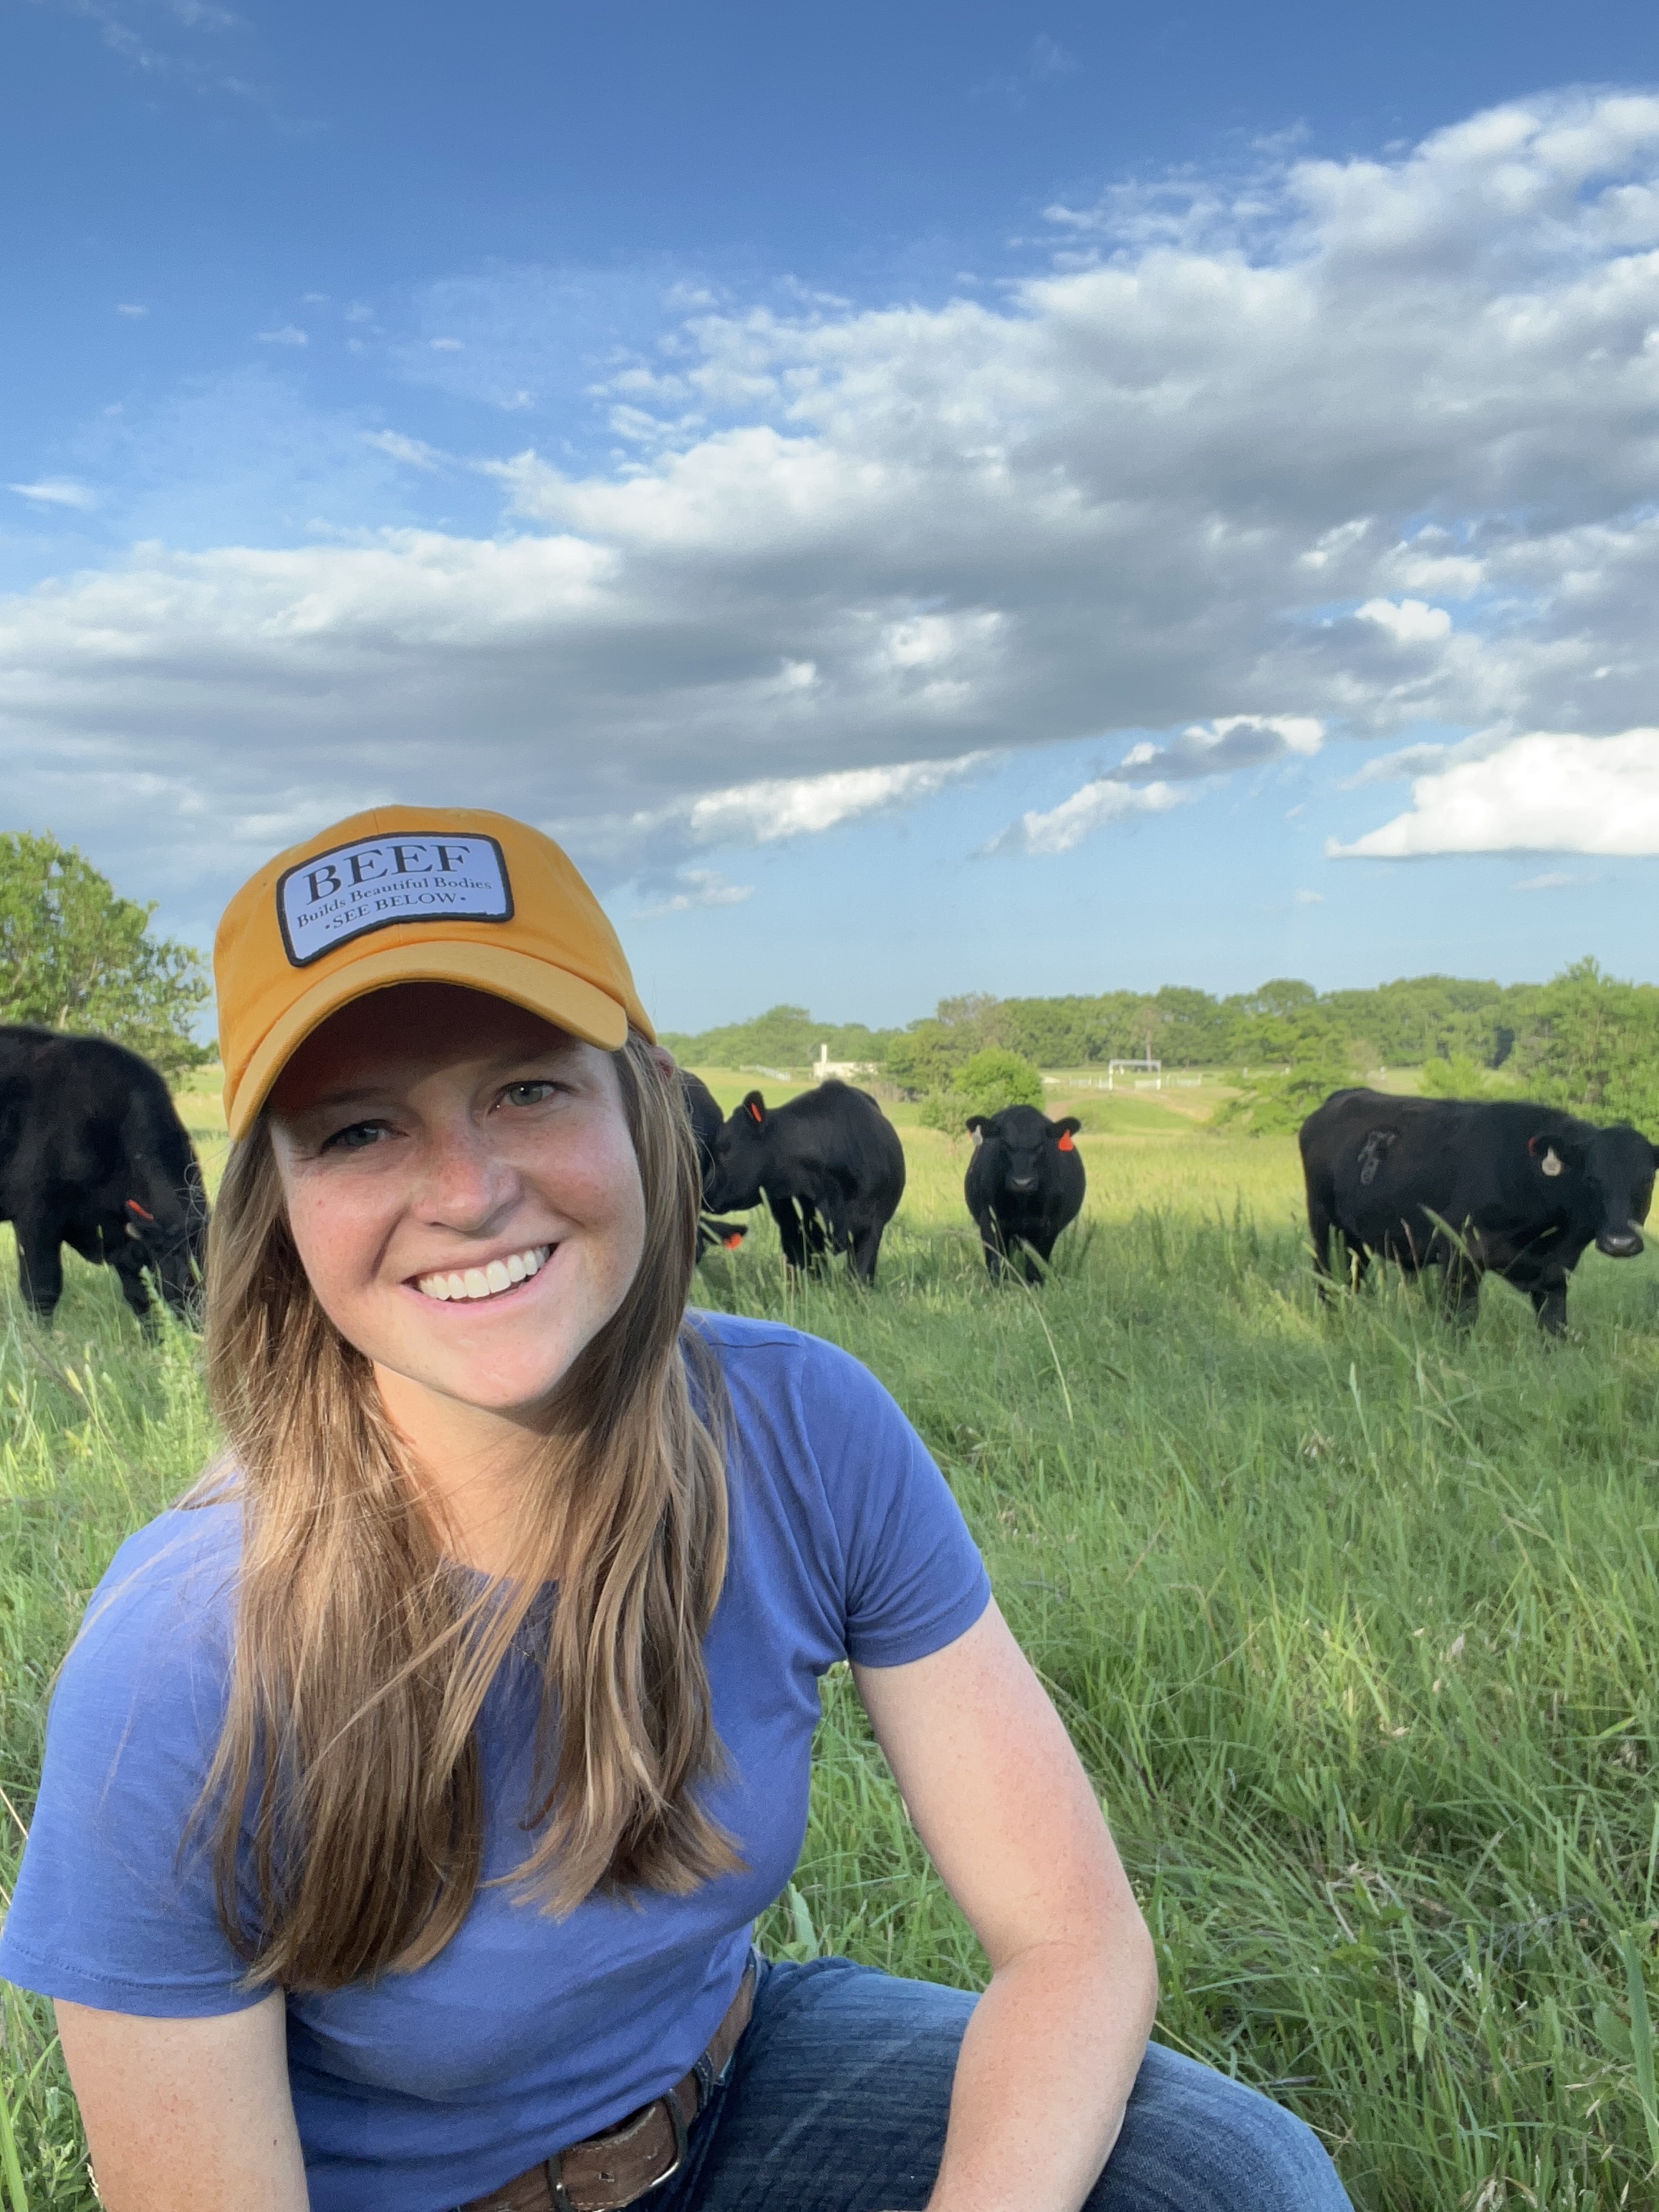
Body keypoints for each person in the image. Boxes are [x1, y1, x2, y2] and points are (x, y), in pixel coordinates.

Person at [0, 808, 1352, 2212]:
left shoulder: (803, 1427)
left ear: (645, 1100)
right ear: (277, 1200)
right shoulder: (183, 1656)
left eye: (529, 1088)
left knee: (1234, 2176)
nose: (468, 1192)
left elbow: (1075, 1938)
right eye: (358, 1126)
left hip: (736, 2088)